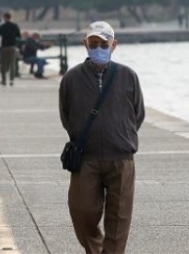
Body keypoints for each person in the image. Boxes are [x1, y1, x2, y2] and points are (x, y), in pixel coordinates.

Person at [59, 21, 145, 254]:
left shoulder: (128, 76)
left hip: (121, 157)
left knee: (119, 218)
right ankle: (96, 249)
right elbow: (66, 115)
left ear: (114, 45)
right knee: (82, 211)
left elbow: (138, 113)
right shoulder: (71, 78)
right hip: (86, 157)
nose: (98, 48)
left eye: (103, 44)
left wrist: (120, 134)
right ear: (85, 44)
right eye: (93, 43)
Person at [0, 11, 21, 86]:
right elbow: (19, 36)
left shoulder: (2, 26)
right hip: (12, 46)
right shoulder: (15, 26)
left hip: (4, 46)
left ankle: (4, 80)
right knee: (12, 63)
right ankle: (12, 79)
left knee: (3, 63)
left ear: (4, 18)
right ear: (11, 17)